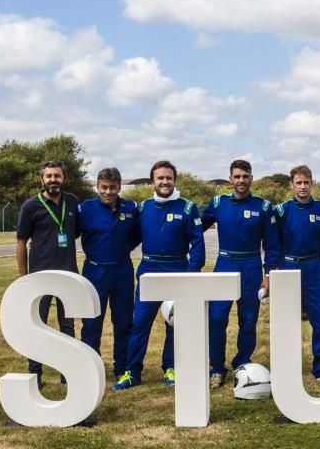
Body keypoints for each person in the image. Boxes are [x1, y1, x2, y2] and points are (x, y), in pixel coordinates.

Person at [118, 160, 204, 390]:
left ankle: (170, 367)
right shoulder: (143, 207)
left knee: (174, 324)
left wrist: (192, 274)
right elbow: (131, 237)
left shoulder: (187, 207)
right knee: (139, 323)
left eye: (168, 178)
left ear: (174, 180)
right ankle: (132, 371)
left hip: (177, 270)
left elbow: (197, 243)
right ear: (152, 181)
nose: (165, 182)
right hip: (149, 271)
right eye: (160, 178)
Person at [201, 160, 282, 388]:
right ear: (230, 179)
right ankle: (217, 368)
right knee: (216, 318)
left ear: (251, 178)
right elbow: (195, 229)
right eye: (236, 176)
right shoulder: (218, 203)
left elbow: (273, 245)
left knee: (248, 320)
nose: (241, 181)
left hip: (251, 265)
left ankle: (242, 363)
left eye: (245, 176)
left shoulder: (264, 207)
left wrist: (269, 274)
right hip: (225, 263)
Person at [15, 160, 80, 389]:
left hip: (68, 274)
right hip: (40, 276)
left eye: (57, 176)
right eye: (49, 176)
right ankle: (36, 374)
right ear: (42, 179)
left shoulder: (72, 201)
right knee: (37, 324)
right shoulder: (31, 206)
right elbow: (21, 241)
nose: (54, 179)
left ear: (64, 178)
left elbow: (76, 232)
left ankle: (67, 373)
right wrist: (24, 277)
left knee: (68, 326)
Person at [76, 167, 140, 382]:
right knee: (92, 322)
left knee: (123, 322)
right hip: (95, 271)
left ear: (119, 187)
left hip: (122, 269)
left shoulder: (130, 208)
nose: (108, 192)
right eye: (104, 187)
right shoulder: (85, 209)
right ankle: (90, 367)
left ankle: (121, 367)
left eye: (113, 187)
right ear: (97, 186)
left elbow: (136, 236)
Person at [275, 165, 320, 383]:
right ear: (291, 185)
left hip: (313, 268)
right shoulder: (281, 211)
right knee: (286, 319)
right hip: (289, 266)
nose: (302, 186)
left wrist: (319, 265)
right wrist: (279, 267)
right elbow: (275, 243)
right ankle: (286, 366)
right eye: (298, 183)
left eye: (306, 182)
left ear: (312, 183)